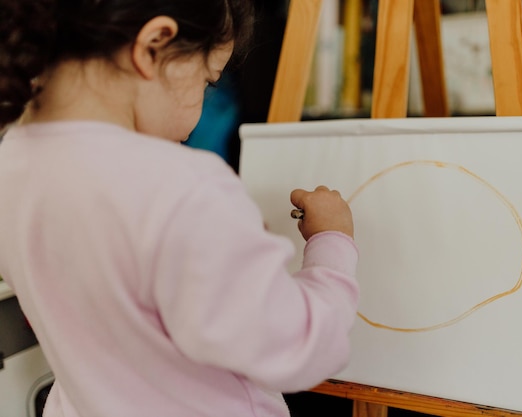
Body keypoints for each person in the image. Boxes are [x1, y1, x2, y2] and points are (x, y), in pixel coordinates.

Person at [0, 1, 359, 417]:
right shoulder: (181, 188)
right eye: (208, 82)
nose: (201, 110)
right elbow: (299, 349)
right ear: (154, 45)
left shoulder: (12, 164)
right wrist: (332, 243)